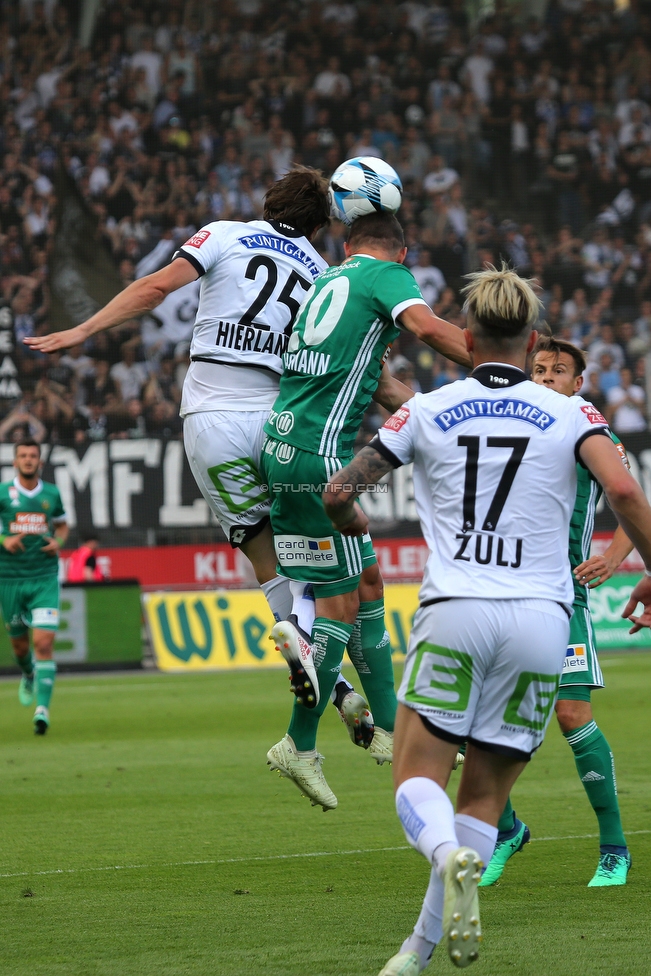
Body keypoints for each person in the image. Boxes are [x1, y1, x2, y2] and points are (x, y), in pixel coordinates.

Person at [321, 266, 651, 974]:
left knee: (415, 774)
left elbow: (340, 488)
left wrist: (346, 513)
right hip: (542, 619)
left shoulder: (428, 409)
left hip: (457, 610)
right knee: (485, 792)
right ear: (530, 341)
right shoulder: (572, 414)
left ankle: (446, 854)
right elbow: (622, 488)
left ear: (466, 340)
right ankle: (417, 950)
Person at [23, 168, 413, 749]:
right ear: (322, 222)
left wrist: (84, 329)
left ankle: (315, 670)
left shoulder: (224, 235)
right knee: (339, 573)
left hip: (210, 419)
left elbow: (155, 288)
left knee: (267, 562)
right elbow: (376, 377)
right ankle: (357, 697)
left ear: (268, 203)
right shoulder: (326, 276)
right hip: (281, 422)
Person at [261, 212, 470, 811]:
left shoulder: (330, 283)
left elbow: (386, 390)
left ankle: (384, 724)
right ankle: (300, 744)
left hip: (282, 450)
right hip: (323, 462)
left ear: (346, 243)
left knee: (367, 578)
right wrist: (495, 369)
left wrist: (444, 419)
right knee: (340, 604)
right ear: (399, 253)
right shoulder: (385, 276)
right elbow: (429, 328)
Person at [478, 335, 634, 889]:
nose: (545, 378)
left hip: (563, 594)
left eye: (557, 371)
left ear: (577, 382)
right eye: (538, 368)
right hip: (500, 589)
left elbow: (630, 498)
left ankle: (614, 848)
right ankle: (507, 830)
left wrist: (616, 555)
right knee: (480, 726)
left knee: (571, 714)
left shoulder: (591, 433)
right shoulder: (512, 425)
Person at [0, 439, 68, 735]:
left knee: (43, 644)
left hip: (43, 577)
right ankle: (28, 674)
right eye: (23, 455)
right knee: (20, 645)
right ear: (14, 461)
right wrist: (4, 540)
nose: (28, 460)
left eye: (33, 456)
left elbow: (62, 525)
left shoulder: (51, 494)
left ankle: (42, 710)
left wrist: (59, 542)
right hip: (10, 579)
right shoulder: (3, 494)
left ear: (40, 462)